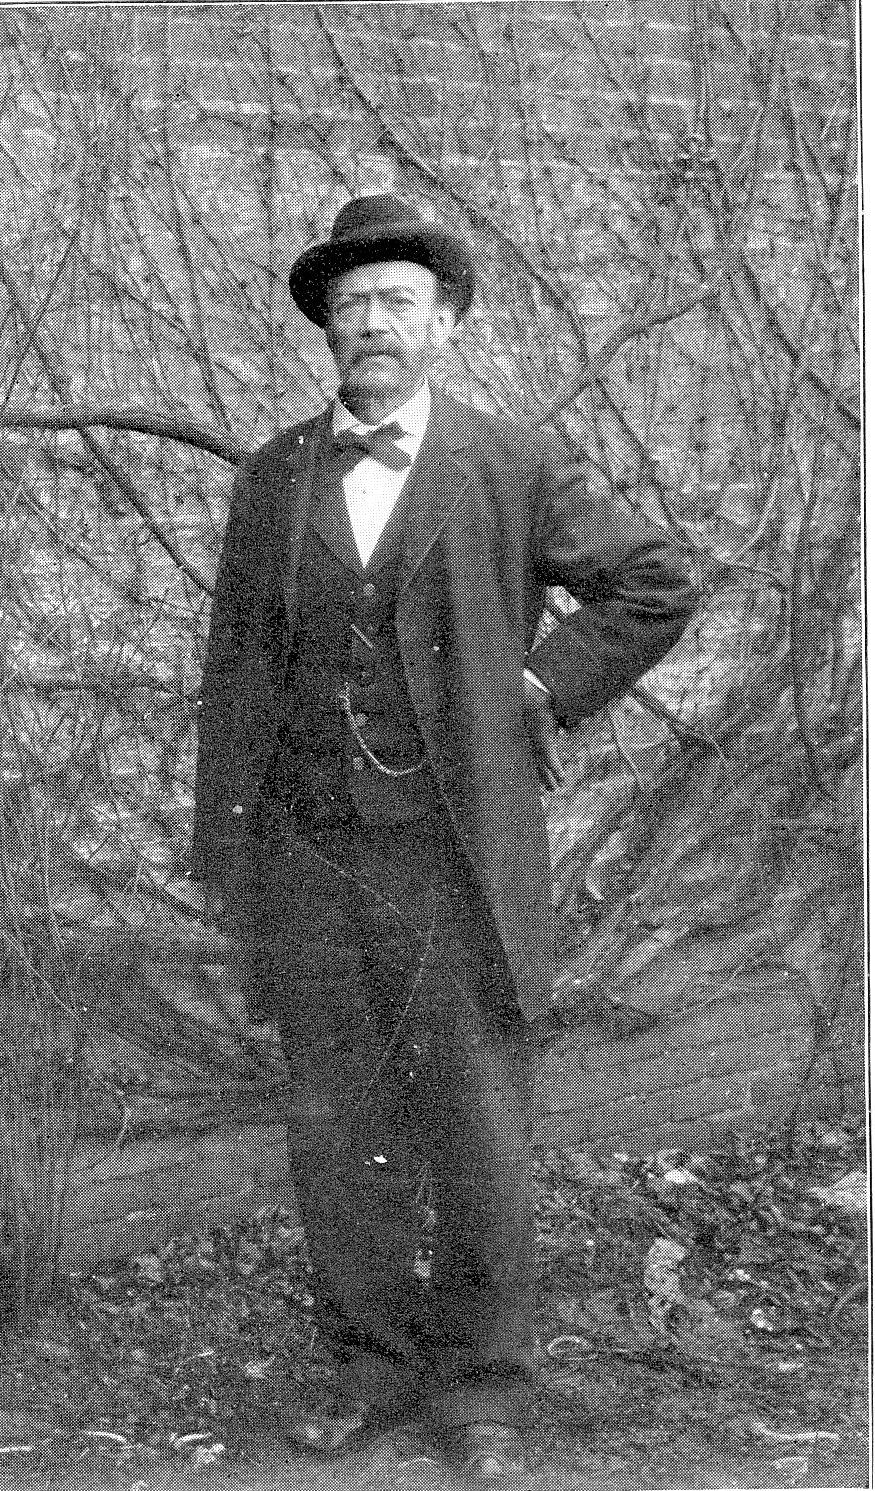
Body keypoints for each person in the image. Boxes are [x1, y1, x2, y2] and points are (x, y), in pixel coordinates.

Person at [190, 194, 697, 1479]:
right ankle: (369, 1369)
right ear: (327, 328)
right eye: (352, 303)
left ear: (445, 324)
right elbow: (235, 676)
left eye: (397, 301)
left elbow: (656, 581)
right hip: (309, 859)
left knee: (475, 1129)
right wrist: (230, 859)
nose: (374, 322)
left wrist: (541, 685)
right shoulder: (272, 479)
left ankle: (484, 1393)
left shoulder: (511, 464)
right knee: (334, 1129)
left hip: (453, 862)